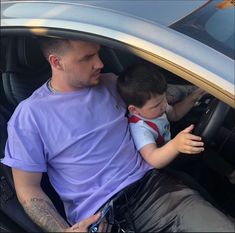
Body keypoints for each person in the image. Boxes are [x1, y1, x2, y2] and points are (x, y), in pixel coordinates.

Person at [1, 37, 235, 232]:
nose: (100, 63)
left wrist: (201, 88)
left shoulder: (111, 84)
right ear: (57, 62)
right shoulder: (29, 116)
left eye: (98, 54)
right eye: (87, 58)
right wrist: (63, 231)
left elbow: (162, 96)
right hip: (100, 219)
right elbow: (28, 189)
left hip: (153, 192)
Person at [117, 63, 206, 169]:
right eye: (156, 105)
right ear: (134, 110)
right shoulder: (140, 128)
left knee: (204, 142)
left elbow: (175, 114)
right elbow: (153, 159)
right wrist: (175, 145)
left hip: (173, 144)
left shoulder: (157, 107)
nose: (164, 105)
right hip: (165, 162)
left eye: (163, 98)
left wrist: (193, 97)